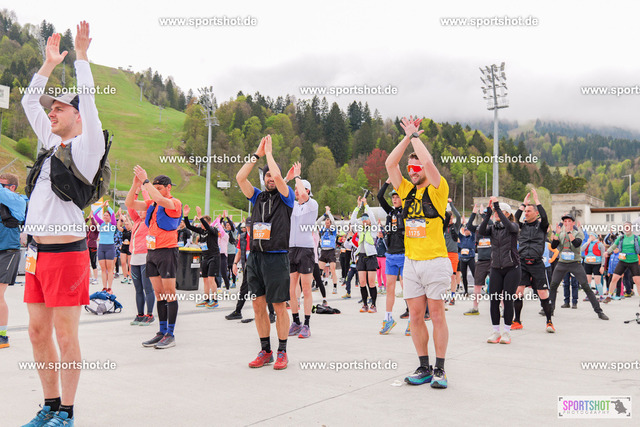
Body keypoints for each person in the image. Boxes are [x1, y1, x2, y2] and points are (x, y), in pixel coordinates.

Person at [20, 22, 103, 425]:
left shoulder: (87, 148)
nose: (51, 112)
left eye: (59, 109)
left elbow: (90, 101)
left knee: (66, 335)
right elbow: (28, 102)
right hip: (36, 254)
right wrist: (48, 65)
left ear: (78, 115)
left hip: (67, 255)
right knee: (37, 333)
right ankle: (49, 405)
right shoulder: (51, 143)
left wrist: (81, 58)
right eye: (51, 109)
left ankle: (67, 412)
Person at [386, 116, 450, 388]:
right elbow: (390, 164)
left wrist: (415, 138)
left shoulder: (437, 188)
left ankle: (440, 369)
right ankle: (424, 366)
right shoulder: (405, 190)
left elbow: (430, 164)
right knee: (414, 316)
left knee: (436, 315)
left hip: (435, 261)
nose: (412, 172)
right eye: (410, 168)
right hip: (411, 263)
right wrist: (405, 138)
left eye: (416, 167)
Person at [236, 135, 294, 370]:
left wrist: (269, 153)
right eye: (267, 175)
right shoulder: (257, 197)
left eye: (272, 174)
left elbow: (279, 177)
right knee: (258, 306)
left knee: (279, 306)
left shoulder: (286, 196)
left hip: (276, 257)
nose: (270, 178)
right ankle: (265, 350)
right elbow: (240, 178)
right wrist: (256, 155)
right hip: (256, 257)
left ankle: (282, 352)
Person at [129, 169, 183, 349]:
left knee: (169, 293)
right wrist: (135, 185)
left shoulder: (174, 203)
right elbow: (130, 203)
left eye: (159, 188)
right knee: (159, 294)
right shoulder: (152, 204)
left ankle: (171, 334)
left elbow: (160, 199)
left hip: (167, 251)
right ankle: (161, 331)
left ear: (168, 188)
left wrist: (146, 182)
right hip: (151, 252)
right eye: (155, 188)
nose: (156, 191)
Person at [548, 214, 608, 320]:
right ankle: (550, 309)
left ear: (573, 223)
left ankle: (599, 311)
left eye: (569, 221)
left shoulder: (578, 233)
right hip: (562, 263)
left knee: (586, 286)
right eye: (565, 221)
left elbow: (576, 244)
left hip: (575, 263)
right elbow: (553, 246)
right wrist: (556, 234)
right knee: (553, 285)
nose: (566, 223)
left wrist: (569, 233)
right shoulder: (561, 233)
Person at [479, 198, 520, 344]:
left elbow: (509, 225)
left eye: (499, 211)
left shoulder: (513, 226)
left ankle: (507, 332)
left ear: (507, 213)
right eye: (495, 212)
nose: (496, 213)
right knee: (494, 300)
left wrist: (496, 206)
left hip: (512, 268)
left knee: (508, 300)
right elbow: (481, 231)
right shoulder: (493, 228)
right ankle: (496, 331)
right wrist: (488, 214)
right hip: (496, 268)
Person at [512, 189, 554, 333]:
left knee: (543, 293)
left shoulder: (542, 226)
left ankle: (549, 322)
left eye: (529, 211)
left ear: (536, 213)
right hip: (522, 262)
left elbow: (545, 217)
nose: (526, 213)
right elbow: (514, 219)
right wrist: (523, 205)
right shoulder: (521, 226)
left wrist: (537, 201)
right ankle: (517, 321)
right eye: (525, 211)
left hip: (537, 263)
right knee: (518, 292)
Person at [286, 162, 318, 339]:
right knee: (291, 288)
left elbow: (304, 195)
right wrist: (287, 179)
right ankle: (296, 322)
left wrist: (298, 176)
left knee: (306, 289)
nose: (296, 191)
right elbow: (280, 193)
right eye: (296, 189)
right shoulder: (292, 206)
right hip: (292, 249)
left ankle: (307, 324)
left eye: (299, 189)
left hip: (306, 249)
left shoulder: (312, 205)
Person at [0, 173, 27, 349]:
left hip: (8, 252)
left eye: (2, 185)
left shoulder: (18, 200)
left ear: (12, 187)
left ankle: (2, 336)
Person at [377, 178, 408, 334]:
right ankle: (388, 319)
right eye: (393, 197)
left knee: (407, 288)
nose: (395, 199)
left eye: (397, 197)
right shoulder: (390, 212)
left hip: (405, 255)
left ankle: (412, 320)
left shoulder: (407, 211)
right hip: (390, 256)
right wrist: (387, 182)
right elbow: (379, 197)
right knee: (389, 288)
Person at [125, 180, 155, 326]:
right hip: (135, 257)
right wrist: (136, 190)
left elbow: (150, 204)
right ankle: (140, 314)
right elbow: (130, 205)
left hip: (146, 257)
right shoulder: (136, 221)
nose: (140, 211)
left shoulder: (150, 221)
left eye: (143, 209)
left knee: (147, 288)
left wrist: (144, 189)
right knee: (138, 289)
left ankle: (150, 314)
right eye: (140, 209)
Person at [183, 205, 225, 308]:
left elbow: (208, 227)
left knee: (211, 279)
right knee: (205, 279)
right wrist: (186, 216)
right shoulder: (201, 231)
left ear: (208, 223)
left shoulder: (213, 230)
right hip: (205, 257)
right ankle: (206, 299)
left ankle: (215, 300)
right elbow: (189, 226)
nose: (201, 224)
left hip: (214, 257)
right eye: (201, 223)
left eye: (203, 223)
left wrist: (200, 216)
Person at [350, 196, 378, 313]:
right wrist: (358, 206)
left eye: (366, 219)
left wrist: (366, 205)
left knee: (371, 282)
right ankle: (365, 304)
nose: (364, 220)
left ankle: (373, 305)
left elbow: (372, 217)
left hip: (371, 257)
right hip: (361, 257)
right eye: (363, 219)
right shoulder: (360, 229)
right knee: (362, 282)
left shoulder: (373, 229)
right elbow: (352, 220)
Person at [464, 204, 491, 316]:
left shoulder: (492, 227)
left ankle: (503, 308)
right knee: (477, 286)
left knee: (498, 287)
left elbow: (489, 222)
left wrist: (483, 214)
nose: (484, 218)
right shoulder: (478, 229)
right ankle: (475, 308)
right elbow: (469, 225)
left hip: (492, 261)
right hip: (481, 261)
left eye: (486, 215)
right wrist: (473, 213)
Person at [604, 222, 640, 302]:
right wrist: (607, 252)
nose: (627, 228)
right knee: (614, 278)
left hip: (633, 261)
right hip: (623, 261)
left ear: (631, 228)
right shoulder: (621, 238)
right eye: (625, 227)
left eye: (628, 227)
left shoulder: (636, 238)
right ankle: (609, 296)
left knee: (637, 281)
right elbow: (614, 246)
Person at [92, 201, 117, 293]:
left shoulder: (113, 224)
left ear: (110, 217)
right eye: (104, 215)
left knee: (109, 269)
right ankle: (104, 287)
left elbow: (113, 213)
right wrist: (101, 206)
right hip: (101, 247)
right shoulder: (101, 223)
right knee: (103, 269)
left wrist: (107, 206)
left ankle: (109, 287)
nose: (105, 216)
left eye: (107, 215)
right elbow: (94, 214)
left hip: (110, 247)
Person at [317, 206, 339, 294]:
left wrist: (329, 212)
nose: (327, 223)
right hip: (323, 251)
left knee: (332, 270)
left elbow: (333, 221)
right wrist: (324, 214)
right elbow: (318, 222)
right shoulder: (322, 229)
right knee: (319, 271)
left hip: (330, 251)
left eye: (328, 222)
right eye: (326, 222)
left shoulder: (333, 229)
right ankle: (318, 285)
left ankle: (335, 287)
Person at [444, 200, 461, 305]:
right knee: (444, 277)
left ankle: (453, 297)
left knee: (453, 276)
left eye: (451, 218)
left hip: (453, 254)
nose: (450, 220)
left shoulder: (456, 226)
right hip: (443, 255)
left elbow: (458, 216)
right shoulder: (443, 227)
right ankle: (445, 296)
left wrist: (451, 204)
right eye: (448, 218)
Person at [118, 213, 132, 284]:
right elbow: (118, 227)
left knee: (130, 264)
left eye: (127, 224)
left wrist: (127, 218)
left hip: (130, 247)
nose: (126, 225)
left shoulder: (131, 230)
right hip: (124, 247)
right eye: (125, 224)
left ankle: (131, 277)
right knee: (123, 263)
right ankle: (125, 277)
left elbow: (131, 226)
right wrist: (120, 218)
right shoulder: (124, 230)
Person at [85, 216, 99, 284]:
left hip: (93, 247)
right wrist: (88, 218)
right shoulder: (87, 230)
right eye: (90, 223)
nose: (91, 224)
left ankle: (96, 278)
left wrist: (92, 218)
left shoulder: (96, 230)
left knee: (93, 263)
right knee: (87, 263)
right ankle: (90, 277)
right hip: (87, 247)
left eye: (92, 223)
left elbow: (94, 225)